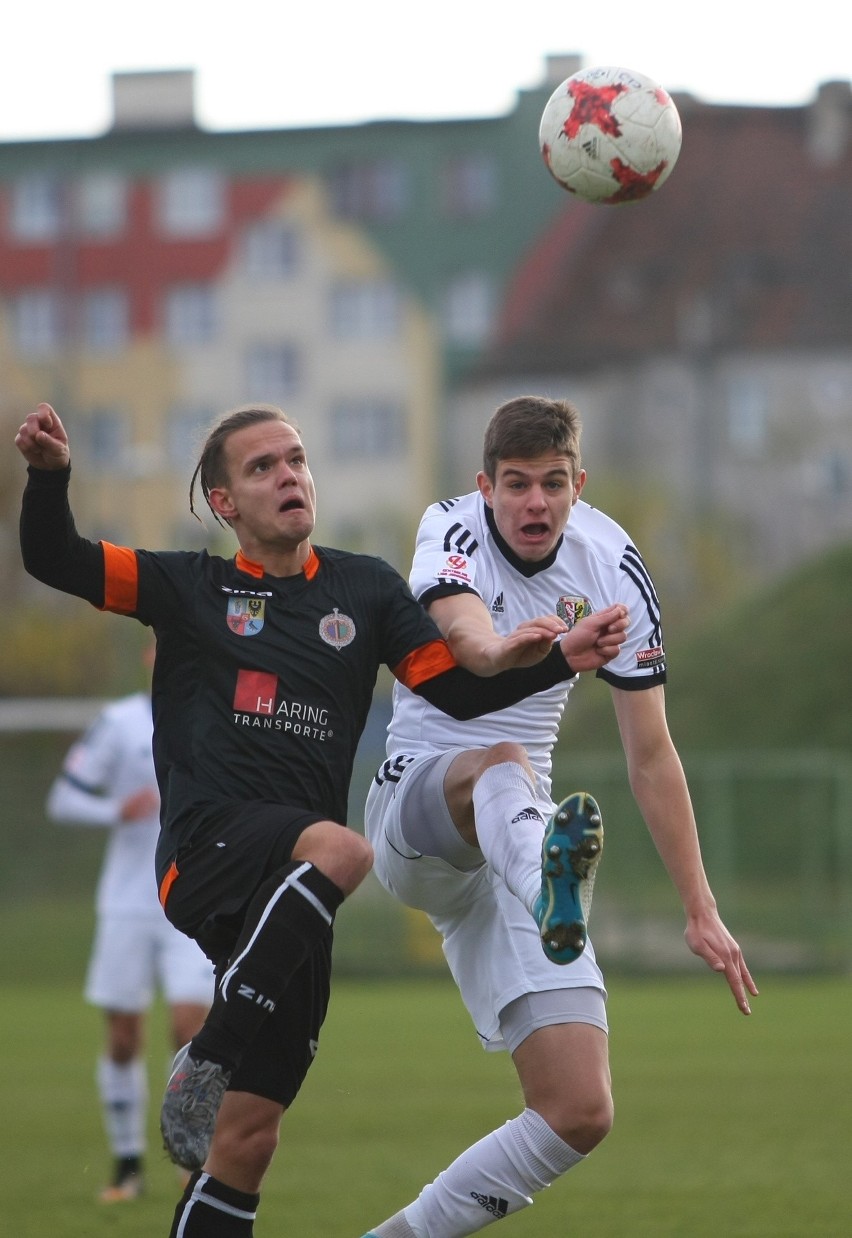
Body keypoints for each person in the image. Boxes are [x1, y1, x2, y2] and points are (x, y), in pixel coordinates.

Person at [16, 400, 629, 1238]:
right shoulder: (187, 587)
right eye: (262, 467)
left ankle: (216, 1078)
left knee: (244, 1141)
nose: (289, 475)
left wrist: (560, 655)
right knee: (348, 847)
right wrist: (50, 479)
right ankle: (211, 1051)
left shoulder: (366, 591)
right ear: (225, 502)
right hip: (211, 852)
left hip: (293, 906)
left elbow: (459, 691)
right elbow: (54, 556)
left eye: (296, 459)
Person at [359, 395, 758, 1238]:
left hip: (523, 845)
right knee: (504, 763)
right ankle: (550, 880)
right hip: (420, 808)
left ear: (580, 483)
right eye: (515, 484)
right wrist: (519, 653)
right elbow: (466, 638)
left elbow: (651, 754)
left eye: (551, 484)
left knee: (579, 1109)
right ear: (485, 487)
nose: (533, 503)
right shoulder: (450, 526)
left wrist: (701, 908)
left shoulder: (613, 564)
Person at [45, 648, 214, 1203]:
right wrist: (116, 809)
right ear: (149, 657)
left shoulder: (220, 720)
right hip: (126, 902)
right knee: (123, 1037)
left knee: (191, 1027)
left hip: (192, 899)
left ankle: (189, 1162)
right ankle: (127, 1167)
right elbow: (62, 798)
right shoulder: (119, 723)